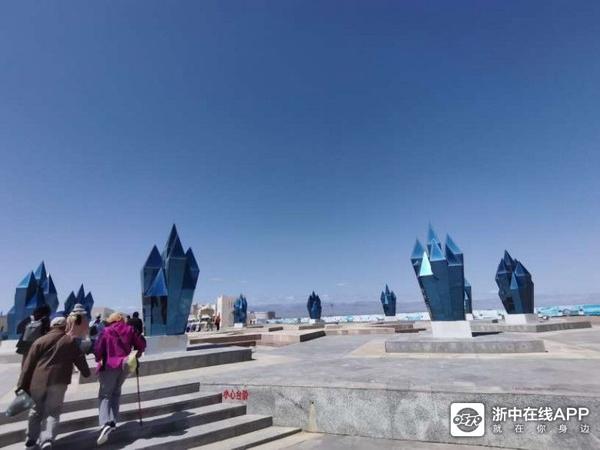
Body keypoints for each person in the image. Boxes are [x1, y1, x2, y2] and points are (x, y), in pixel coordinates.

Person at [17, 316, 90, 450]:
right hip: (59, 382)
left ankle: (31, 440)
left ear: (52, 326)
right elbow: (80, 359)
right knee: (53, 411)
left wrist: (21, 384)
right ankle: (47, 439)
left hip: (38, 381)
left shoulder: (40, 341)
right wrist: (86, 373)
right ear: (65, 327)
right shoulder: (70, 341)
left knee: (36, 410)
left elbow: (28, 365)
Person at [94, 313, 146, 446]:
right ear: (121, 320)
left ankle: (105, 423)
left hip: (108, 366)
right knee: (116, 393)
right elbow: (141, 344)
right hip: (124, 365)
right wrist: (137, 355)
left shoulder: (106, 331)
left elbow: (98, 349)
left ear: (112, 321)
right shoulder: (130, 329)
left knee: (105, 395)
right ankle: (112, 422)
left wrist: (98, 359)